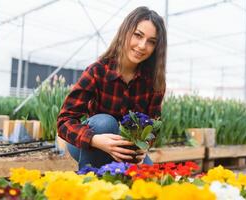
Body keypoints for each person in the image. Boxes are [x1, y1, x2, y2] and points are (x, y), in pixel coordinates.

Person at [57, 6, 167, 169]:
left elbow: (152, 126)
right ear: (125, 32)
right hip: (91, 141)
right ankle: (91, 182)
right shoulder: (98, 71)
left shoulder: (154, 82)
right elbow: (64, 121)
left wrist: (144, 146)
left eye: (151, 42)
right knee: (105, 123)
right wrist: (95, 140)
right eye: (138, 35)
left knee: (149, 180)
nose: (143, 46)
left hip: (126, 147)